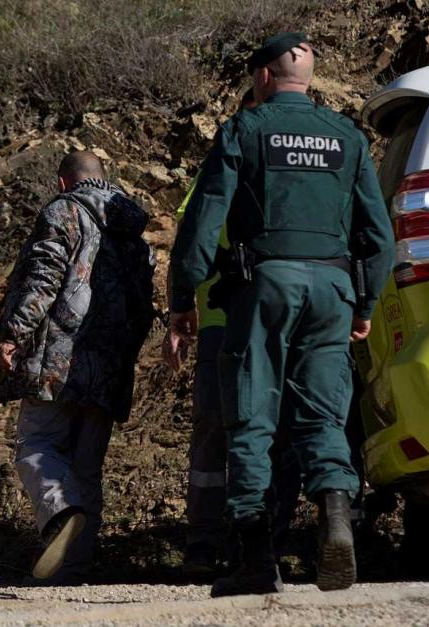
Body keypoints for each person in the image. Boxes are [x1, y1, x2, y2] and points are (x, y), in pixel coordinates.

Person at [168, 33, 395, 597]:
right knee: (322, 416)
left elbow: (200, 224)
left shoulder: (244, 130)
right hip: (333, 292)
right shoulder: (347, 136)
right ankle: (335, 518)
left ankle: (254, 561)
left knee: (251, 418)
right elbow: (379, 239)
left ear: (264, 75)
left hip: (265, 290)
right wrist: (364, 304)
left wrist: (180, 301)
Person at [0, 151, 155, 583]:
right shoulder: (132, 229)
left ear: (64, 183)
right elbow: (143, 308)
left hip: (57, 357)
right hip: (110, 365)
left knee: (37, 445)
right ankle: (72, 569)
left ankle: (61, 513)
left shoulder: (63, 211)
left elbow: (43, 279)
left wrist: (11, 332)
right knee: (86, 466)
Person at [165, 88, 259, 577]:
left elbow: (188, 244)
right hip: (266, 324)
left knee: (214, 439)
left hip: (223, 326)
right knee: (253, 434)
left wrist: (177, 314)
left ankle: (207, 544)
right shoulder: (284, 166)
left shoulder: (219, 166)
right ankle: (254, 541)